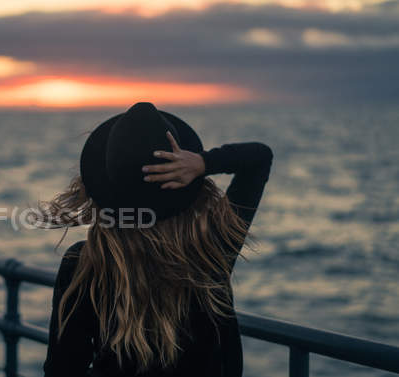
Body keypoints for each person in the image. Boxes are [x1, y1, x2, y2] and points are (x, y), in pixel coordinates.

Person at [39, 102, 273, 377]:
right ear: (185, 183)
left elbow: (62, 369)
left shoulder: (84, 264)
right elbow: (259, 158)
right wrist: (203, 162)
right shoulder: (210, 251)